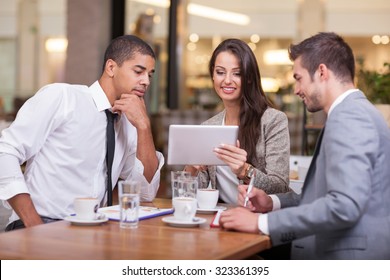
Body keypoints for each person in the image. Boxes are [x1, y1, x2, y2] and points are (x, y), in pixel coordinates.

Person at [219, 32, 390, 259]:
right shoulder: (356, 111)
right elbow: (325, 196)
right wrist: (272, 202)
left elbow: (344, 206)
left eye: (298, 78)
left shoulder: (349, 117)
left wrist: (261, 222)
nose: (296, 90)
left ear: (321, 72)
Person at [0, 35, 164, 231]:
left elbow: (145, 193)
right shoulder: (63, 98)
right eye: (139, 71)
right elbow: (5, 152)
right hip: (41, 223)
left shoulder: (129, 122)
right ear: (111, 67)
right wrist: (34, 224)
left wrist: (144, 127)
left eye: (150, 75)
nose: (146, 81)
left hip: (93, 230)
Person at [186, 38, 290, 204]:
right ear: (213, 75)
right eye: (220, 72)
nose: (227, 80)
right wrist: (191, 170)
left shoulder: (273, 120)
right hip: (223, 218)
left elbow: (281, 187)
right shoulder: (209, 127)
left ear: (249, 78)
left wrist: (245, 170)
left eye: (237, 73)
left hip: (260, 219)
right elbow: (195, 195)